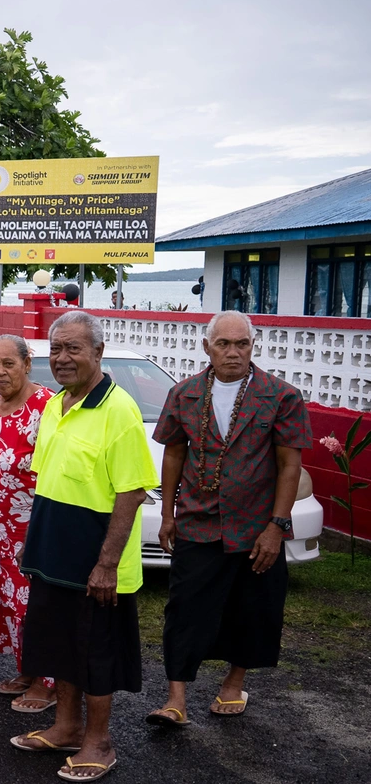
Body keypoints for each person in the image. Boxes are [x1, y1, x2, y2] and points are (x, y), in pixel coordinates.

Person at [10, 310, 157, 782]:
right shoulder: (57, 404)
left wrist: (107, 564)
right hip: (54, 552)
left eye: (74, 348)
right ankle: (66, 728)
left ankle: (100, 742)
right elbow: (50, 481)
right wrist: (34, 542)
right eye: (56, 349)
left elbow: (132, 492)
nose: (63, 358)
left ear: (98, 351)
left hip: (98, 560)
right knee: (59, 645)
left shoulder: (119, 411)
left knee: (96, 653)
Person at [147, 311, 311, 727]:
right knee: (185, 607)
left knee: (253, 607)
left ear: (253, 347)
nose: (233, 353)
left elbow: (289, 465)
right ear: (207, 347)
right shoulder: (184, 394)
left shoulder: (280, 396)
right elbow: (174, 453)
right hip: (199, 521)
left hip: (257, 525)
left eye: (242, 344)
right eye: (224, 344)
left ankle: (233, 683)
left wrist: (277, 527)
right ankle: (175, 699)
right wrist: (167, 513)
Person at [0, 335, 57, 712]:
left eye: (8, 364)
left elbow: (55, 471)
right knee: (9, 603)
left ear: (27, 363)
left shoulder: (48, 406)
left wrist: (41, 530)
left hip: (33, 527)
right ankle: (27, 669)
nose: (0, 372)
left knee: (37, 606)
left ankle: (49, 682)